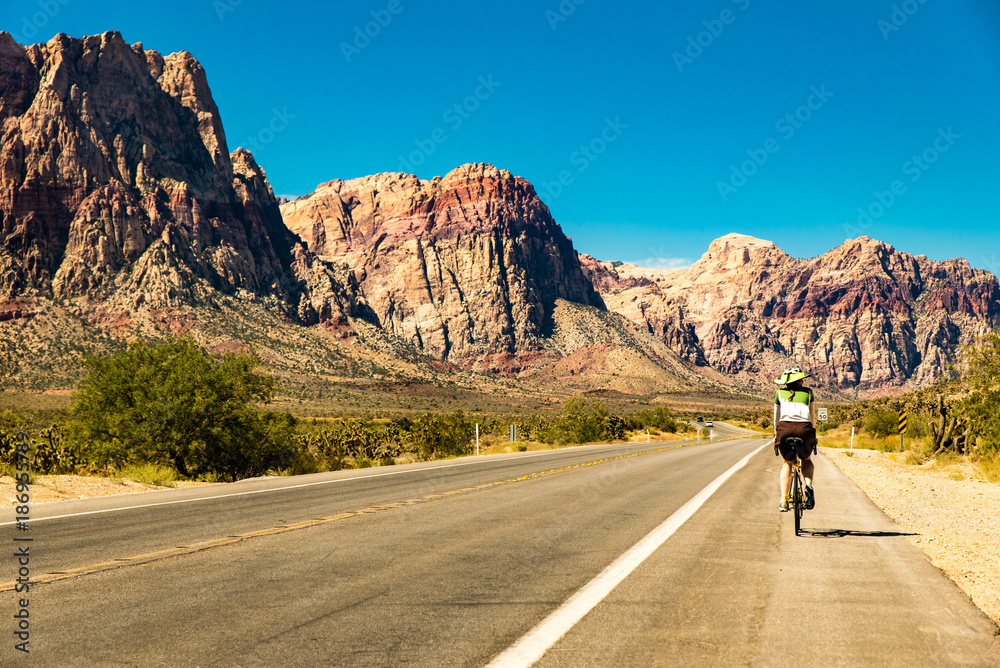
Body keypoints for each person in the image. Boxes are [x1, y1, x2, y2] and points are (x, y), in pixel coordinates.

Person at [773, 367, 817, 512]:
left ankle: (784, 500)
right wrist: (813, 434)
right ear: (800, 381)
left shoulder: (779, 393)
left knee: (787, 463)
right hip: (804, 429)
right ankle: (808, 484)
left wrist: (776, 434)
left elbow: (776, 418)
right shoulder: (808, 392)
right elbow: (812, 416)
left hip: (784, 429)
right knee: (806, 459)